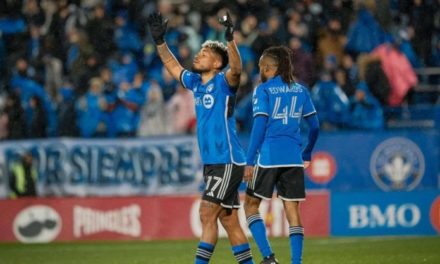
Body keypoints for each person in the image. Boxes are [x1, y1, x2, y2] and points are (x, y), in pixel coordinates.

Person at [147, 12, 254, 264]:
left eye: (204, 53)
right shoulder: (195, 82)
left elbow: (236, 69)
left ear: (217, 63)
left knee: (207, 213)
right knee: (229, 221)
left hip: (227, 159)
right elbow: (173, 65)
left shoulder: (224, 82)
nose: (198, 55)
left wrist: (230, 39)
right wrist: (160, 41)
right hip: (213, 162)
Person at [243, 46, 320, 264]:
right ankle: (296, 262)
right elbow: (315, 127)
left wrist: (249, 161)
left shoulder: (263, 89)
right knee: (292, 212)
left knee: (250, 206)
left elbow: (259, 126)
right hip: (294, 158)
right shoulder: (301, 90)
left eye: (261, 66)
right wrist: (307, 152)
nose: (260, 70)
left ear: (269, 68)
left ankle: (268, 258)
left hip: (268, 157)